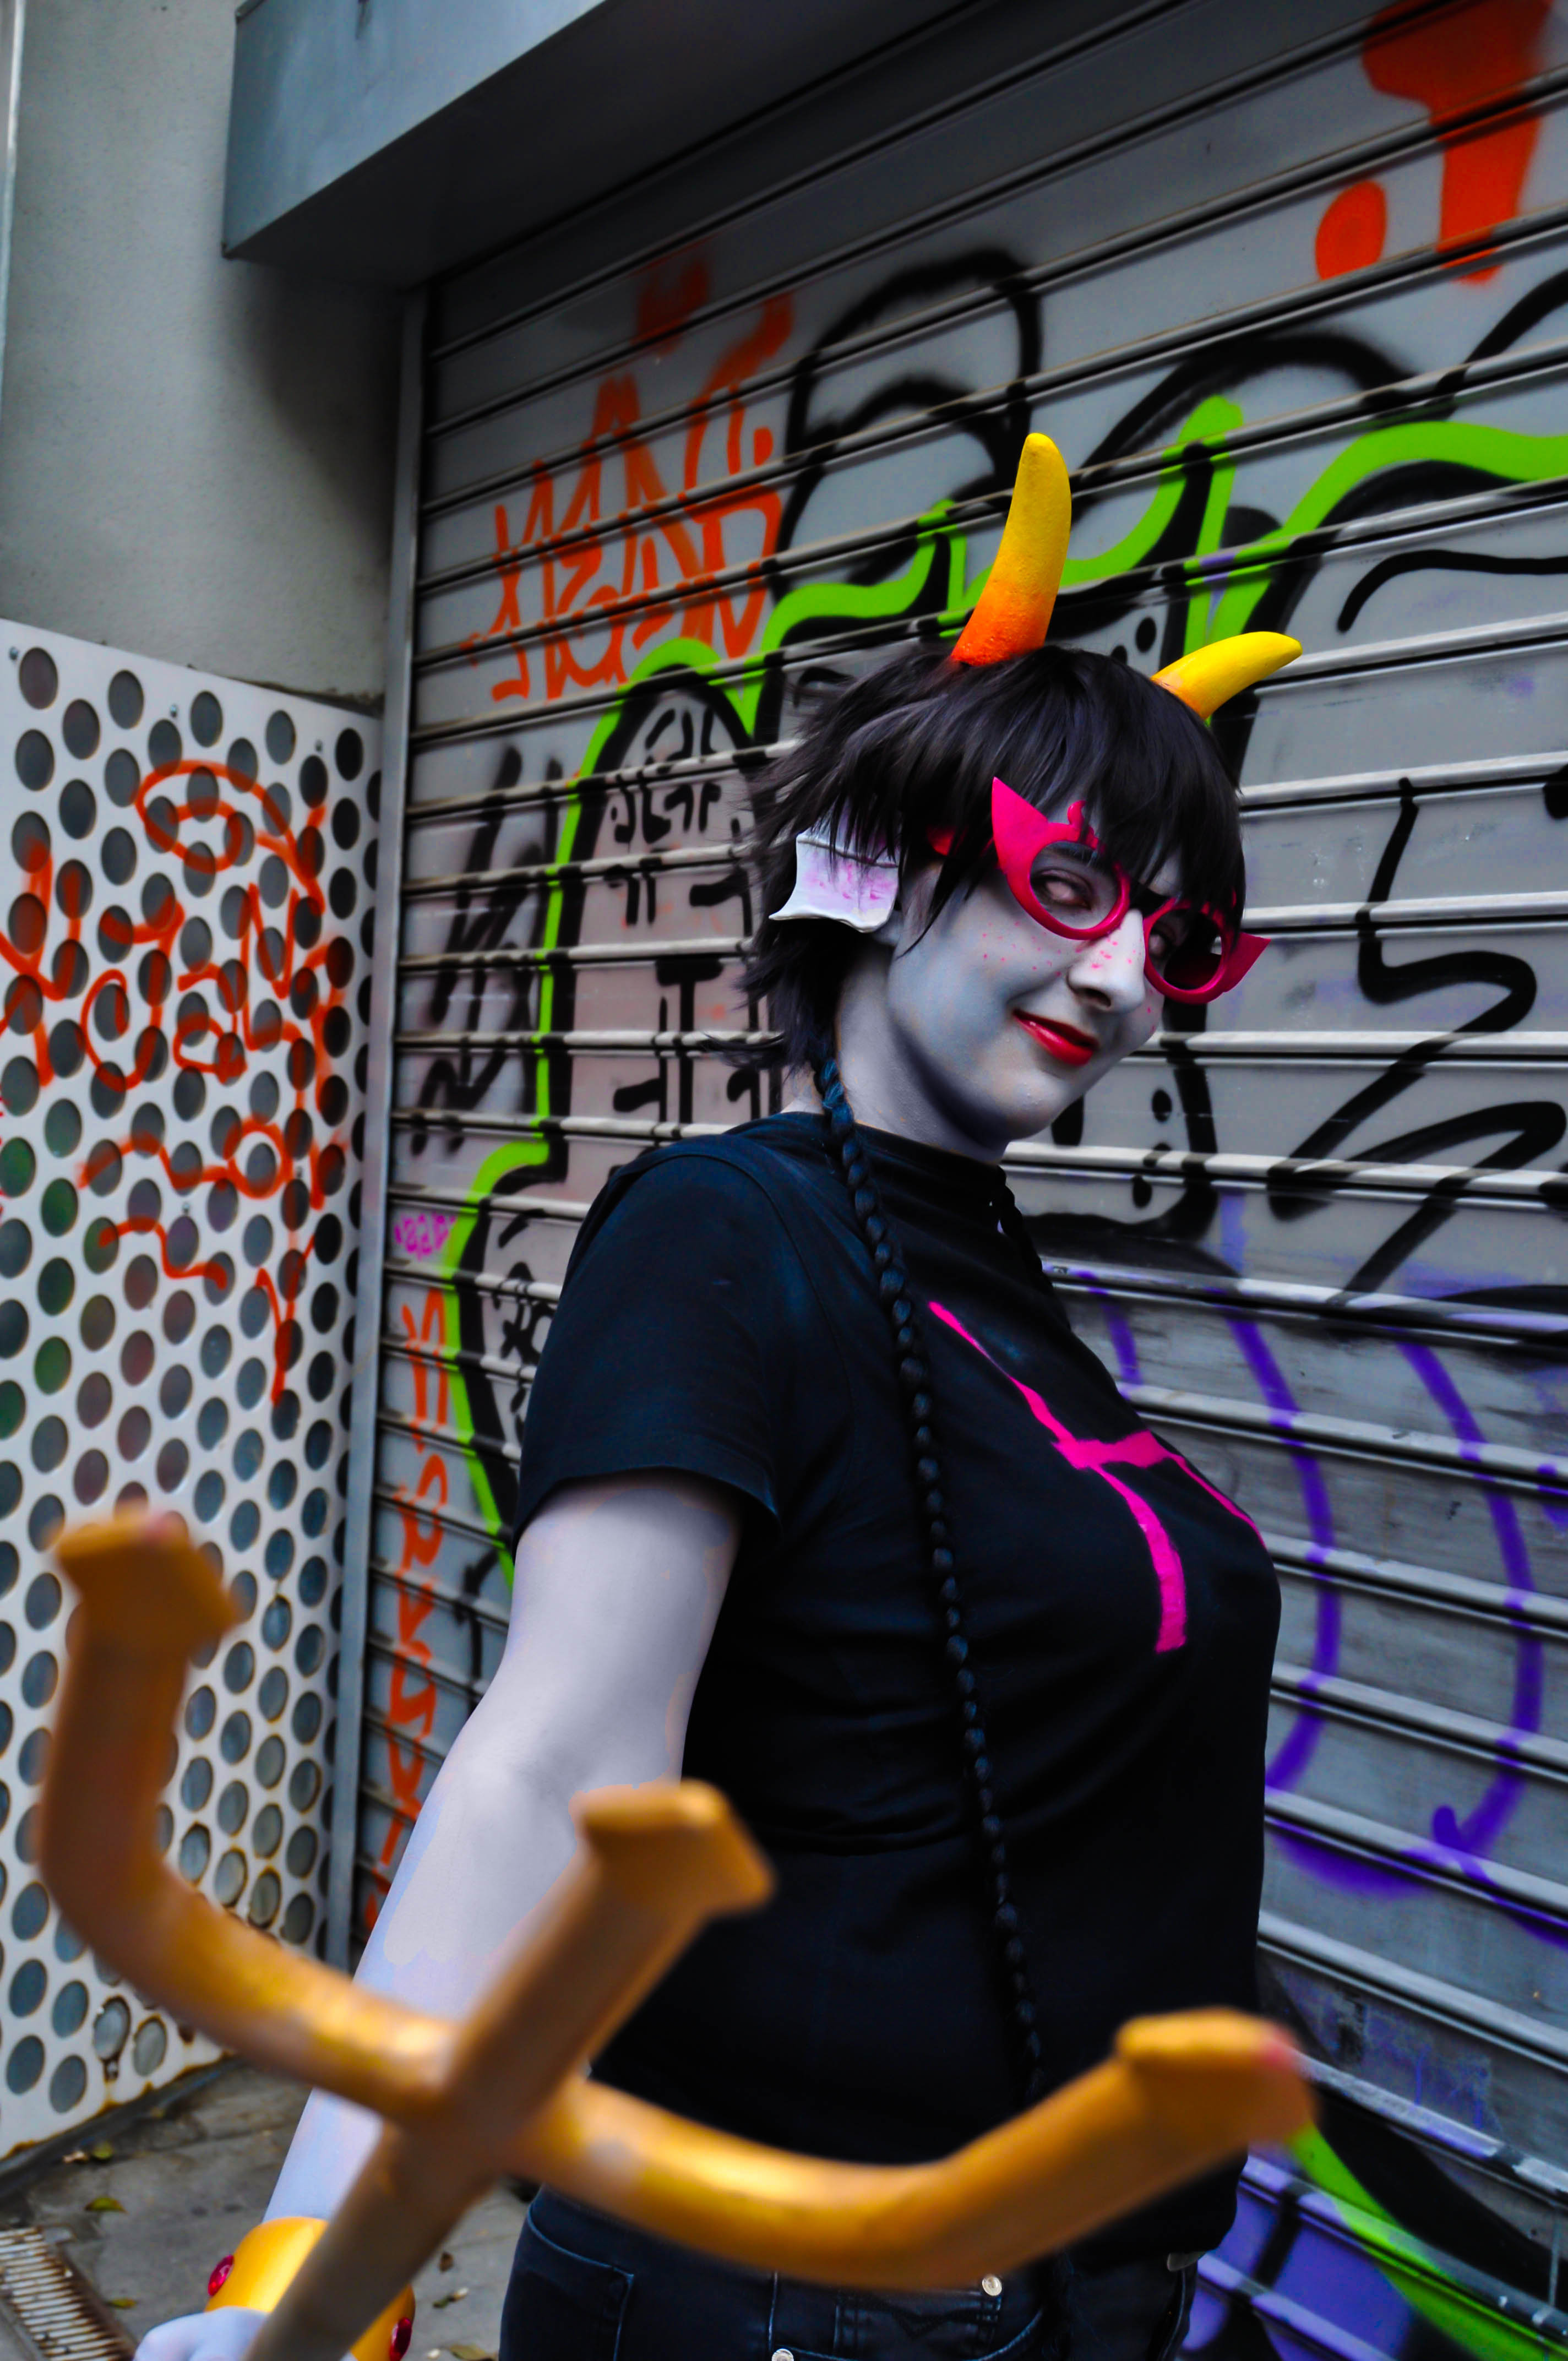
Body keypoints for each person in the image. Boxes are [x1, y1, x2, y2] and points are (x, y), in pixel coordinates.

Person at [143, 438, 1294, 2361]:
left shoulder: (982, 1261)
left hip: (1047, 2297)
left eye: (1174, 937)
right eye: (1071, 881)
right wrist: (313, 2276)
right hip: (796, 2309)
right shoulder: (724, 1232)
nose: (1119, 976)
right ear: (886, 867)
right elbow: (554, 1765)